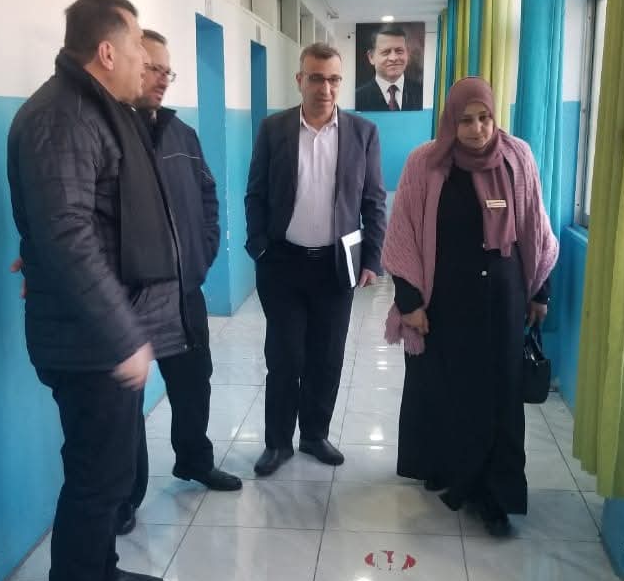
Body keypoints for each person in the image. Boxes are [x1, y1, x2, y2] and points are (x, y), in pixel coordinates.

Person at [8, 0, 189, 581]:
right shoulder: (62, 118)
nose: (146, 57)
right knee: (96, 477)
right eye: (139, 44)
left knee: (107, 471)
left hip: (100, 330)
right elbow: (67, 235)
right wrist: (123, 335)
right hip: (90, 342)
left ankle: (99, 570)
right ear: (108, 51)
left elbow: (81, 219)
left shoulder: (95, 111)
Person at [382, 76, 558, 536]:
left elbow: (535, 225)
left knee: (502, 395)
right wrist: (410, 302)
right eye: (465, 120)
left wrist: (539, 292)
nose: (477, 129)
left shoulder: (518, 157)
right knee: (451, 389)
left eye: (484, 118)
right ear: (450, 121)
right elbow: (402, 234)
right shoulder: (426, 163)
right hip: (447, 302)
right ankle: (451, 470)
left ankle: (496, 495)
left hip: (504, 299)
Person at [116, 30, 241, 536]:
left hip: (183, 290)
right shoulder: (108, 133)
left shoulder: (180, 133)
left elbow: (208, 196)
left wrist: (202, 254)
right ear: (125, 64)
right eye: (152, 67)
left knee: (193, 382)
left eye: (167, 70)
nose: (162, 78)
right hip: (129, 296)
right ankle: (126, 496)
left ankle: (194, 460)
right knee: (126, 401)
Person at [245, 41, 387, 476]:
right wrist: (259, 246)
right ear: (300, 80)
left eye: (334, 79)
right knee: (285, 356)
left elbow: (374, 200)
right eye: (316, 78)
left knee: (326, 357)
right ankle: (277, 443)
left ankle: (314, 435)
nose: (325, 88)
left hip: (335, 266)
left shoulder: (362, 133)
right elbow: (256, 193)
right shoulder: (274, 129)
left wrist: (372, 259)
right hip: (283, 264)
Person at [355, 23, 423, 112]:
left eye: (399, 51)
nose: (393, 58)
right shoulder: (358, 98)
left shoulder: (421, 93)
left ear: (407, 54)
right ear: (371, 57)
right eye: (386, 52)